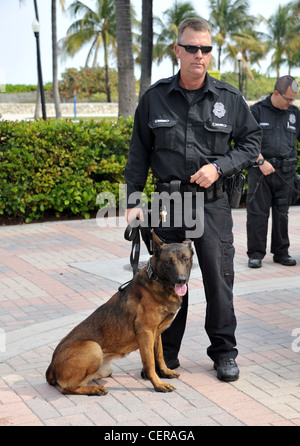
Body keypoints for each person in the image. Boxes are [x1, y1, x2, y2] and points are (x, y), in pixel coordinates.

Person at [124, 17, 261, 382]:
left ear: (210, 53)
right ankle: (166, 354)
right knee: (167, 282)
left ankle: (224, 353)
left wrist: (219, 166)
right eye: (191, 48)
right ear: (178, 51)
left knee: (219, 281)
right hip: (169, 206)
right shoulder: (155, 98)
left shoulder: (229, 99)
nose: (199, 55)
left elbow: (251, 145)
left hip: (212, 205)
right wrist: (133, 201)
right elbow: (138, 152)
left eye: (205, 48)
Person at [247, 76, 299, 269]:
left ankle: (281, 252)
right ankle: (255, 254)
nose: (291, 103)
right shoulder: (257, 111)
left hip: (285, 172)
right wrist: (260, 160)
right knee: (257, 214)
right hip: (261, 171)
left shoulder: (294, 113)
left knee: (282, 214)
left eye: (293, 99)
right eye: (288, 99)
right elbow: (247, 141)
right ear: (276, 93)